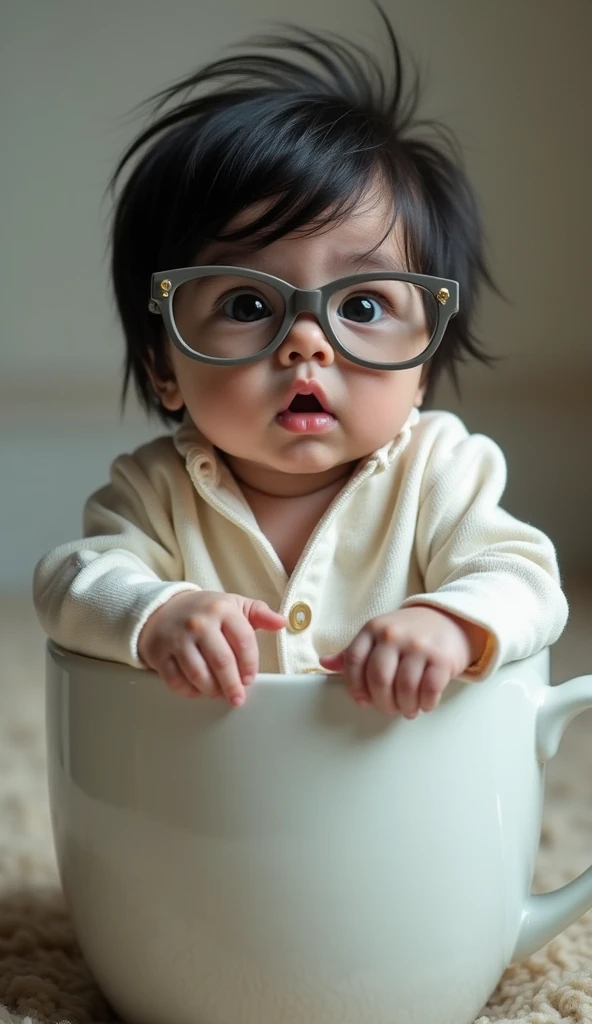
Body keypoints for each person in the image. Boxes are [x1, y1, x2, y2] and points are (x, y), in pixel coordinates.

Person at [33, 8, 568, 719]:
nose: (307, 343)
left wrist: (451, 621)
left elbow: (524, 578)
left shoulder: (440, 473)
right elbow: (70, 581)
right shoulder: (157, 492)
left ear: (423, 369)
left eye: (365, 307)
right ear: (164, 363)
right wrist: (159, 611)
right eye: (249, 305)